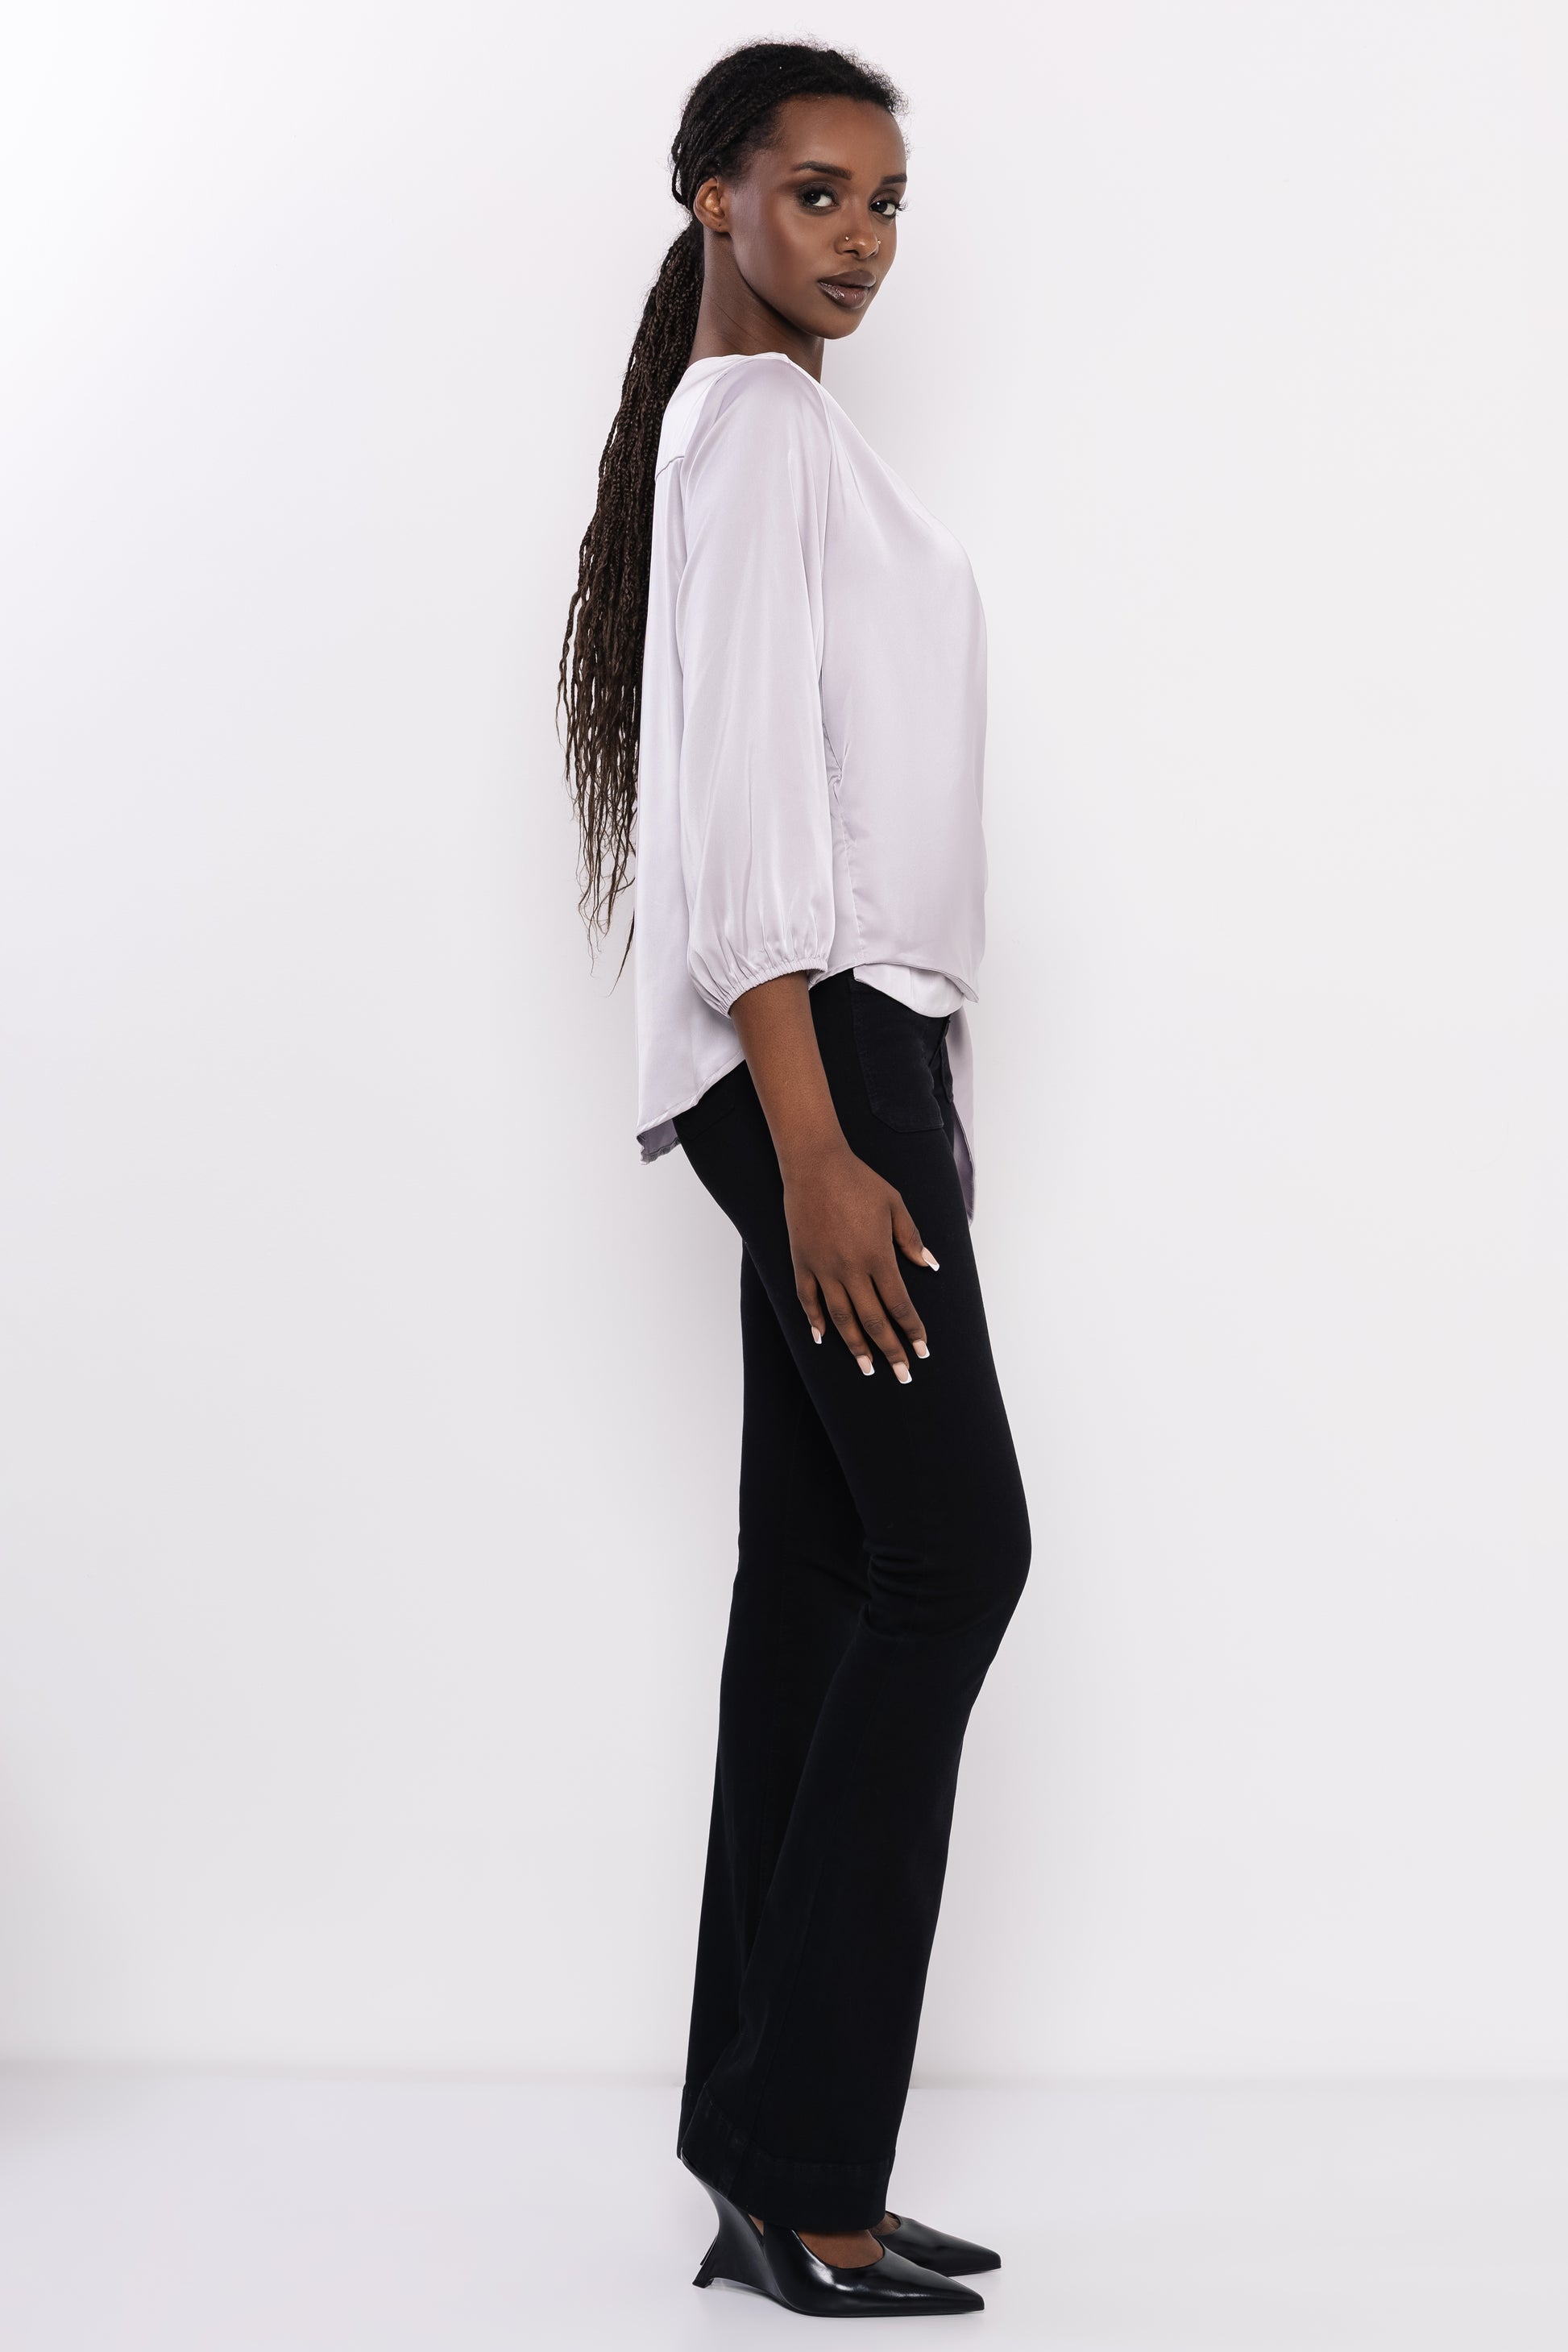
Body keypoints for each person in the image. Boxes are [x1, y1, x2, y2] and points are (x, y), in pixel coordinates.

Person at [558, 39, 1031, 2321]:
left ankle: (765, 2155)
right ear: (713, 202)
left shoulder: (776, 434)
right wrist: (823, 1137)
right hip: (811, 1051)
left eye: (884, 202)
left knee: (833, 1578)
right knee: (957, 1556)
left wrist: (900, 1097)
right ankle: (807, 2163)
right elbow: (746, 798)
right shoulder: (747, 430)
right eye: (815, 191)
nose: (856, 236)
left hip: (855, 1052)